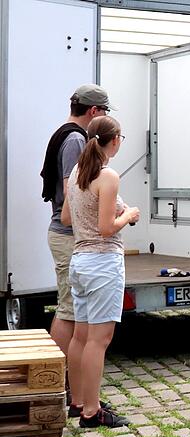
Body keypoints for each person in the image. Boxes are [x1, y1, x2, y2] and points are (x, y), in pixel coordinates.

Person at [61, 115, 137, 428]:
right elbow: (107, 228)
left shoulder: (76, 173)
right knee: (99, 340)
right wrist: (129, 214)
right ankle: (93, 411)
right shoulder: (107, 176)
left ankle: (77, 402)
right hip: (103, 262)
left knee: (81, 336)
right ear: (114, 139)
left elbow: (66, 218)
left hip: (79, 261)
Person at [40, 84, 113, 362]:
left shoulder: (66, 134)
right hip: (68, 234)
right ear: (93, 110)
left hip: (67, 234)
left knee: (74, 310)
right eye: (104, 111)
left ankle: (69, 382)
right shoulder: (75, 141)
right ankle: (58, 381)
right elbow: (75, 190)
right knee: (69, 310)